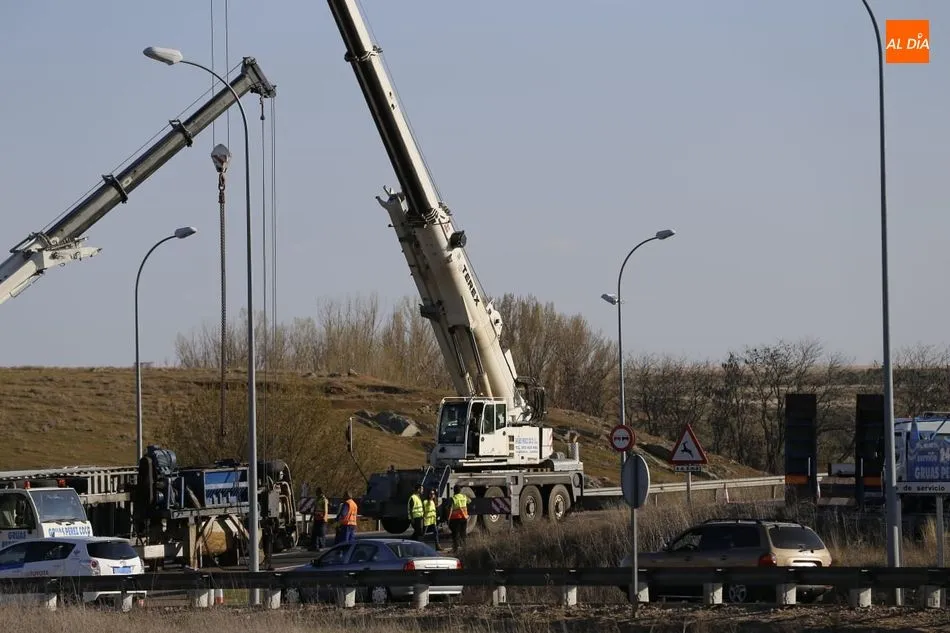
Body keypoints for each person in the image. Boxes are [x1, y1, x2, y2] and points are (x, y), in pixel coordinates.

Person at [448, 484, 469, 551]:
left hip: (456, 518)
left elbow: (451, 509)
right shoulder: (464, 496)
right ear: (460, 490)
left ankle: (455, 548)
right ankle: (464, 548)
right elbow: (470, 501)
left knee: (455, 534)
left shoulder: (454, 498)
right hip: (464, 518)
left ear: (454, 491)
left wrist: (448, 518)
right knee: (463, 533)